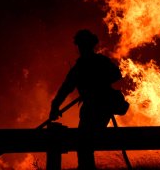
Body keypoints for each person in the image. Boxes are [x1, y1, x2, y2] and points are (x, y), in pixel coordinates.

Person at [49, 29, 123, 170]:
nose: (81, 48)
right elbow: (66, 88)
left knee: (84, 144)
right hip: (93, 108)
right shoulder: (84, 66)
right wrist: (55, 106)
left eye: (83, 45)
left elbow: (116, 75)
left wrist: (98, 83)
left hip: (99, 108)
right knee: (84, 145)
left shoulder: (92, 64)